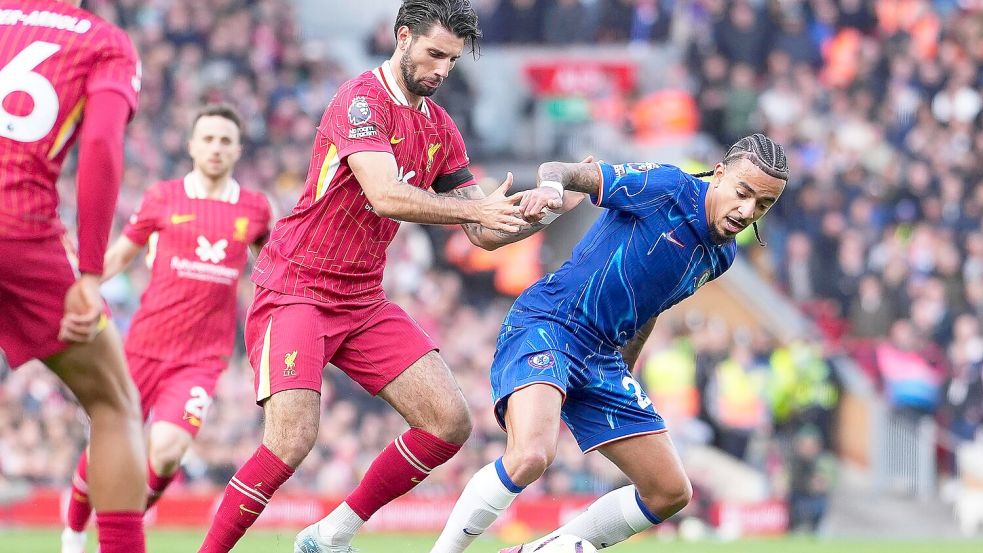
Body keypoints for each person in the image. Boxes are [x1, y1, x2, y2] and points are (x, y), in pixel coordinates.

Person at [197, 2, 570, 552]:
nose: (443, 69)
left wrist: (525, 216)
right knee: (291, 440)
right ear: (403, 37)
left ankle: (332, 534)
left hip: (361, 299)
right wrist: (478, 211)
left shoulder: (441, 128)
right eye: (434, 53)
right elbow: (385, 194)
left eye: (452, 60)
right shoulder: (361, 100)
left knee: (449, 423)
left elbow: (482, 235)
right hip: (295, 289)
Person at [431, 133, 789, 553]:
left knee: (670, 492)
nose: (748, 211)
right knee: (530, 455)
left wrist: (625, 374)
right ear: (721, 174)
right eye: (743, 194)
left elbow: (651, 305)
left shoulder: (722, 255)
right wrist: (550, 189)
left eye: (763, 205)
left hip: (603, 358)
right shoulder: (667, 188)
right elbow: (561, 171)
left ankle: (545, 549)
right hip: (552, 322)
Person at [60, 104, 272, 552]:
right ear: (192, 146)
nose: (216, 148)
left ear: (238, 150)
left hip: (201, 359)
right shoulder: (163, 197)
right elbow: (119, 255)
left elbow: (271, 271)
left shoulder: (254, 210)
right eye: (208, 139)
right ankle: (75, 530)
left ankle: (124, 520)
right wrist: (82, 285)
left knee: (169, 449)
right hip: (142, 347)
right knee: (106, 444)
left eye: (225, 141)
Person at [0, 1, 146, 552]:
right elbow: (102, 145)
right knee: (113, 402)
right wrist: (89, 271)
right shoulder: (103, 42)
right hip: (20, 229)